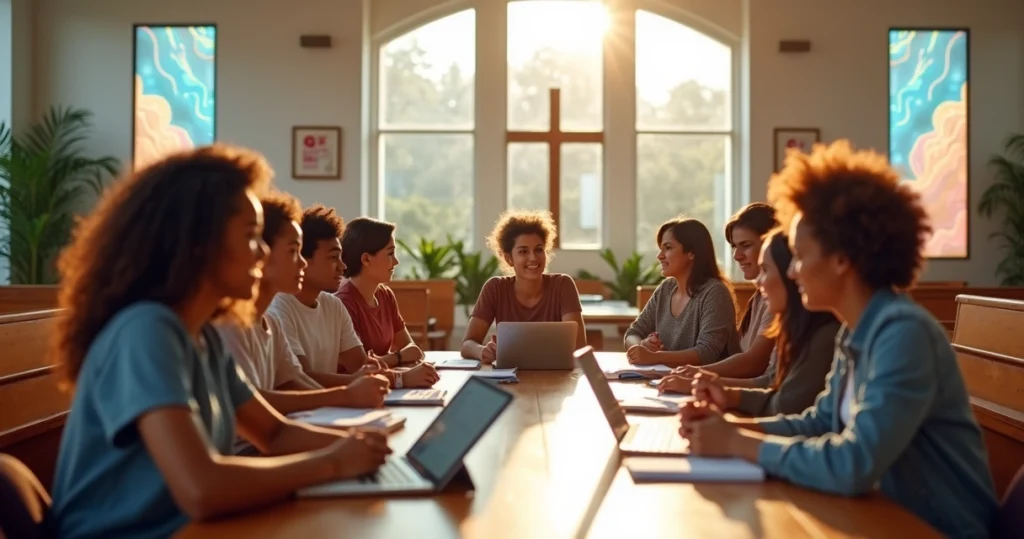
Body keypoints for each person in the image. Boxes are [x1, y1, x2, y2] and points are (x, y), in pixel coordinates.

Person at [48, 146, 390, 539]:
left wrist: (367, 447)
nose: (262, 252)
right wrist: (333, 462)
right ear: (198, 243)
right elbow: (202, 489)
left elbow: (275, 433)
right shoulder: (146, 331)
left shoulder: (203, 334)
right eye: (250, 236)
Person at [677, 141, 997, 538]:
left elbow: (854, 463)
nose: (792, 271)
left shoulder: (903, 334)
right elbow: (822, 422)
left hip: (936, 528)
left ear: (842, 259)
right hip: (881, 517)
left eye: (799, 255)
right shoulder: (856, 328)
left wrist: (739, 442)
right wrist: (728, 426)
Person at [216, 191, 390, 418]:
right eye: (293, 251)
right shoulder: (232, 325)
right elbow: (255, 408)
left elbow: (296, 382)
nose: (302, 263)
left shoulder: (271, 323)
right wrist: (347, 395)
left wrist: (344, 410)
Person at [660, 230, 840, 417]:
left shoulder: (827, 335)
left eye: (766, 270)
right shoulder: (792, 325)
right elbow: (771, 381)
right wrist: (721, 390)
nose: (793, 272)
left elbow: (783, 404)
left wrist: (730, 430)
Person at [268, 205, 437, 389]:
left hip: (330, 409)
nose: (342, 266)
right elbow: (302, 378)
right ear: (304, 260)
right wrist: (398, 378)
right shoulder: (280, 308)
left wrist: (385, 373)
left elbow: (362, 366)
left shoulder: (333, 306)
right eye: (333, 258)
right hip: (309, 412)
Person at [461, 210, 586, 363]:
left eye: (539, 249)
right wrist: (482, 351)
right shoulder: (495, 288)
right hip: (509, 377)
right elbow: (467, 344)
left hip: (556, 375)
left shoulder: (563, 285)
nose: (533, 258)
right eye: (523, 251)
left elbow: (579, 347)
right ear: (509, 258)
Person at [673, 204, 778, 380]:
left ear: (772, 245)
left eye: (745, 245)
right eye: (734, 247)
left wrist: (698, 374)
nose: (737, 255)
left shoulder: (777, 298)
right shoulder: (758, 296)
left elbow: (753, 364)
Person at [623, 217, 740, 367]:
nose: (660, 255)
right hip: (669, 381)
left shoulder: (715, 293)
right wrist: (640, 347)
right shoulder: (666, 288)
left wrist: (655, 357)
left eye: (668, 248)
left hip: (706, 385)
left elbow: (706, 353)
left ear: (691, 253)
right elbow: (633, 333)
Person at [337, 217, 425, 367]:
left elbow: (411, 348)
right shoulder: (344, 303)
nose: (396, 261)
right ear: (366, 259)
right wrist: (398, 357)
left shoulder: (385, 295)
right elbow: (362, 366)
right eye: (390, 253)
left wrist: (395, 357)